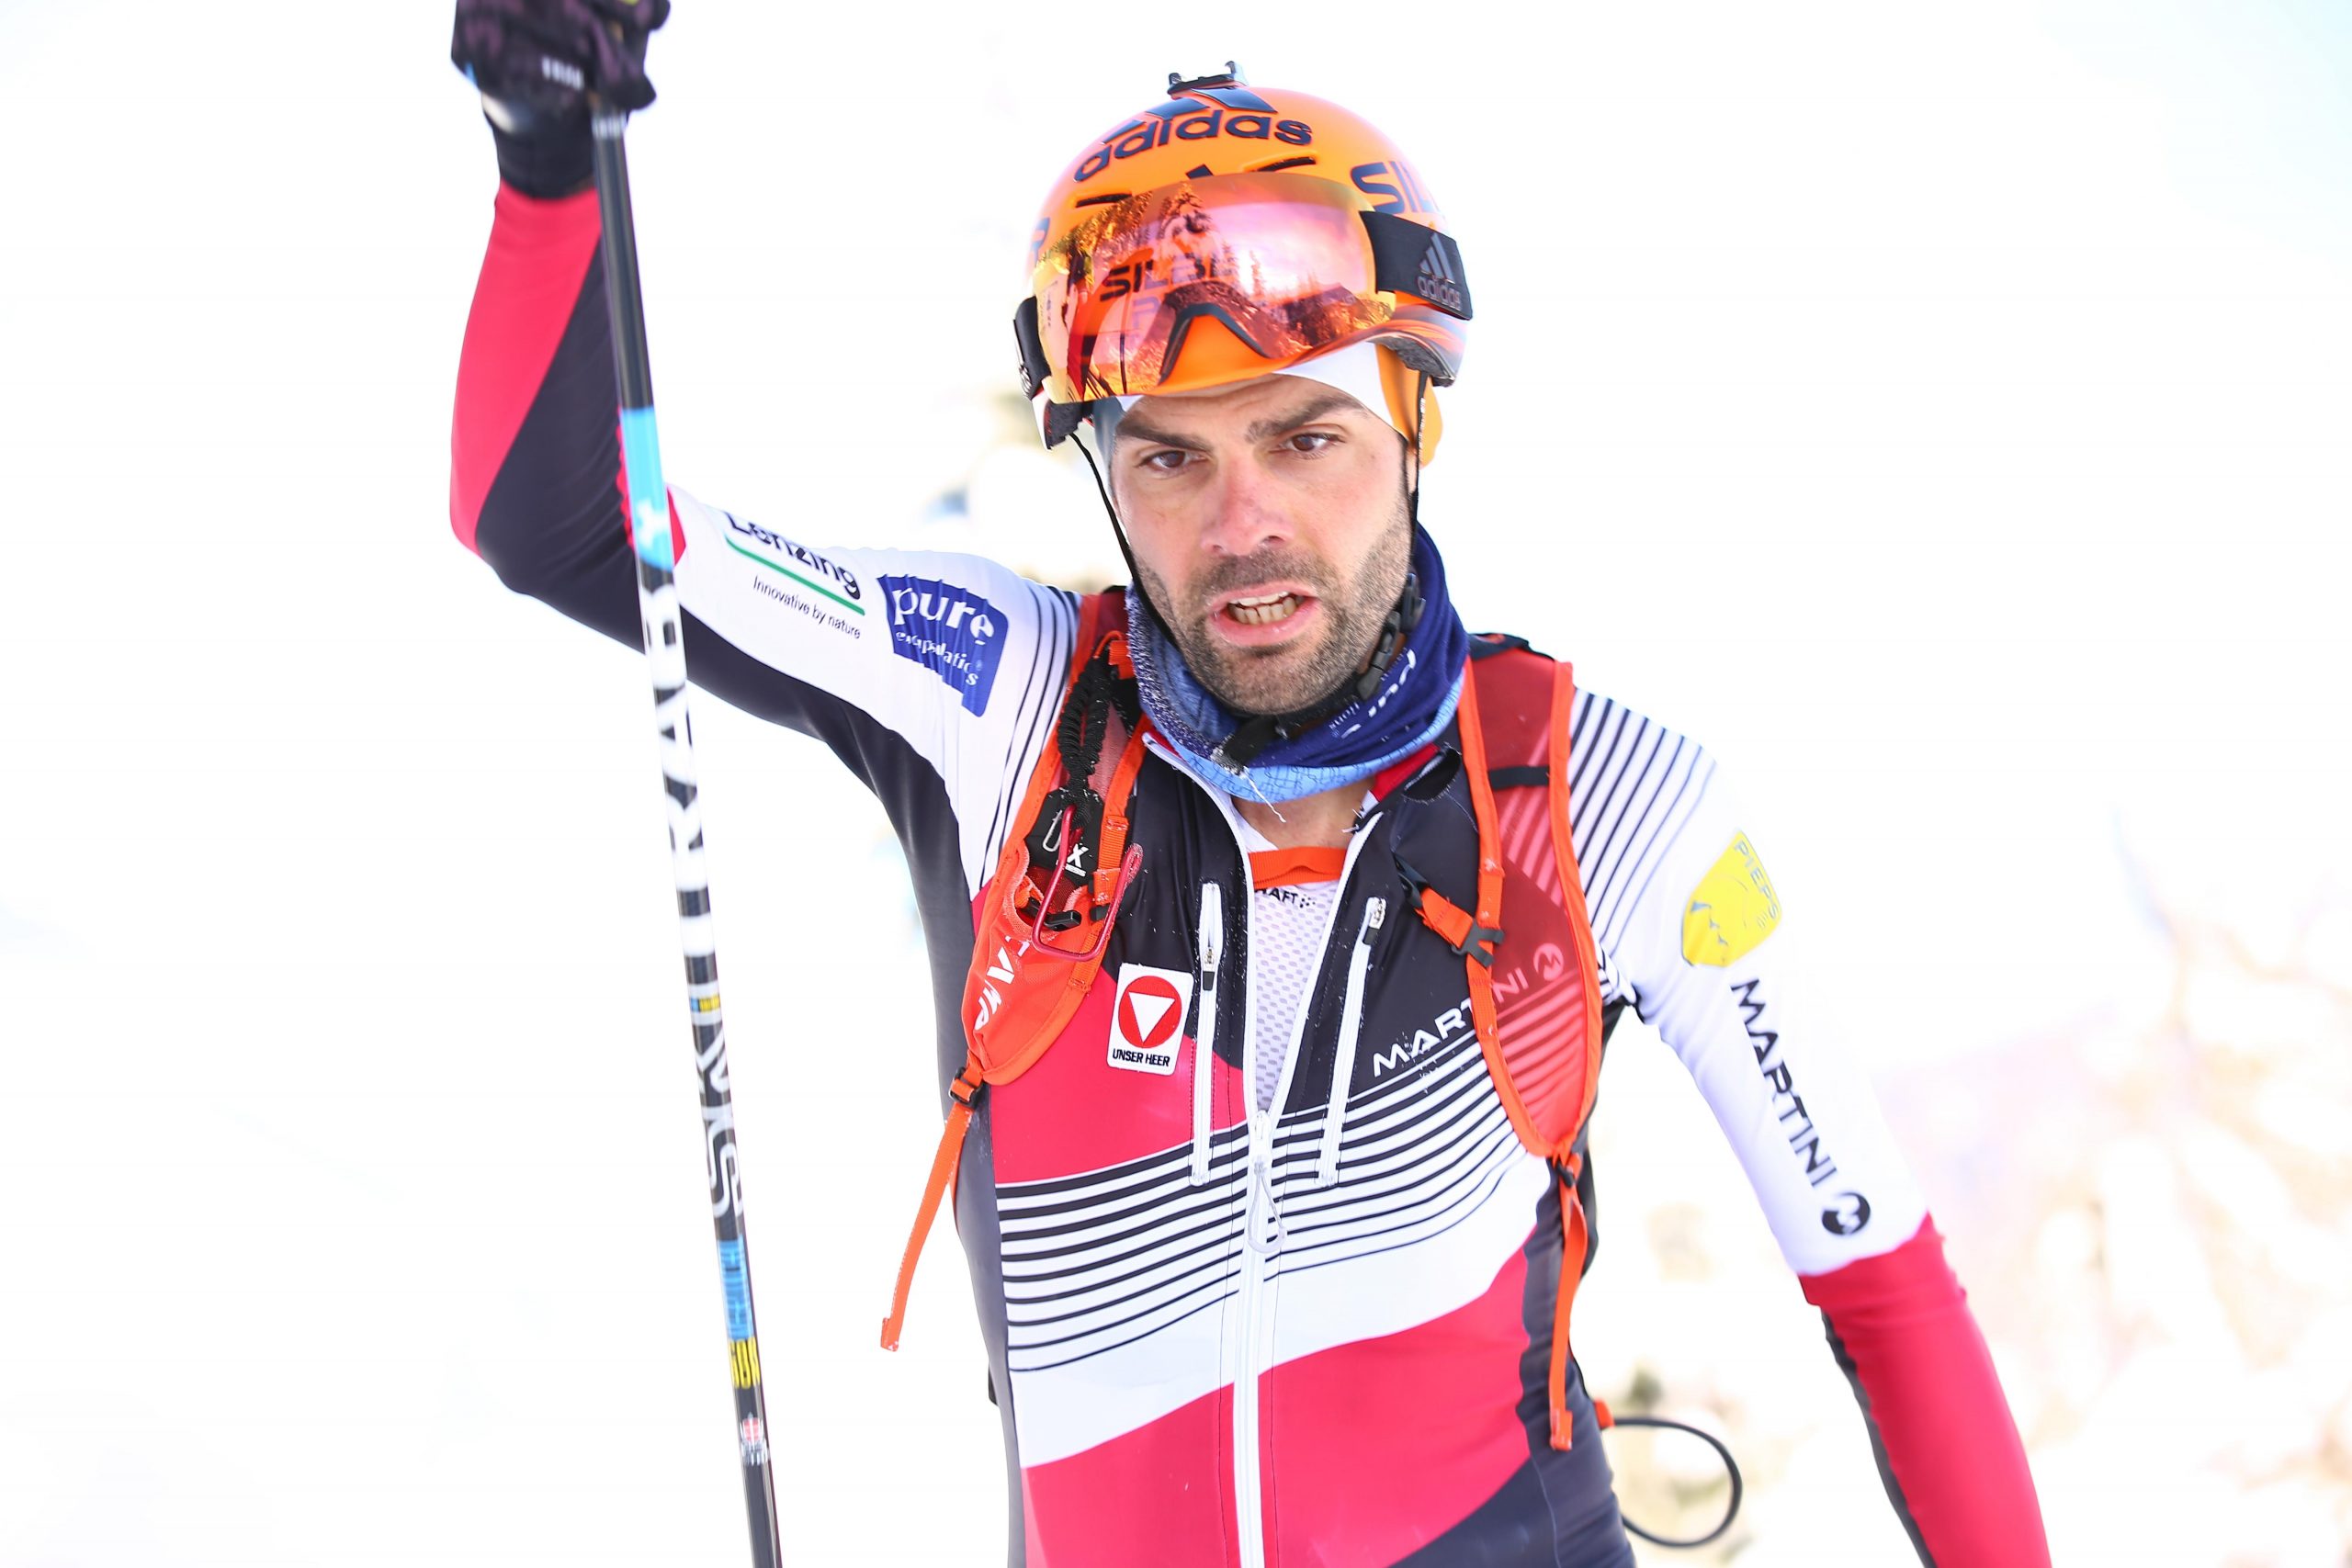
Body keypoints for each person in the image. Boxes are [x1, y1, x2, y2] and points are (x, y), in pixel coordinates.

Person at [447, 6, 2052, 1563]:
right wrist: (545, 160)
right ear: (1105, 469)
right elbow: (564, 524)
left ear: (1417, 427)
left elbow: (1887, 1290)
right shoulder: (997, 703)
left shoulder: (1598, 799)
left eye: (1305, 440)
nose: (1242, 525)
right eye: (1170, 456)